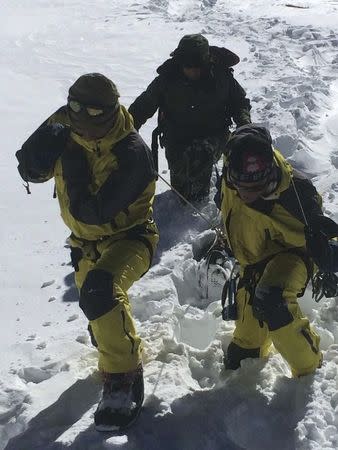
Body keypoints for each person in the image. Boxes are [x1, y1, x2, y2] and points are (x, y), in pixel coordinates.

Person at [16, 73, 159, 431]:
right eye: (75, 110)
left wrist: (74, 161)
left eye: (92, 115)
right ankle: (113, 346)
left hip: (131, 237)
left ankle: (123, 377)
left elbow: (93, 212)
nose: (82, 123)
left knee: (100, 291)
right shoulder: (65, 121)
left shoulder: (132, 153)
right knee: (99, 312)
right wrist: (35, 161)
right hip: (83, 244)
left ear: (110, 114)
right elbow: (31, 168)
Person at [219, 124, 338, 377]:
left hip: (295, 254)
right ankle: (254, 346)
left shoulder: (296, 194)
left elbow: (329, 233)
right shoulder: (229, 175)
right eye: (243, 187)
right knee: (243, 355)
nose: (249, 194)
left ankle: (309, 368)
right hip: (253, 261)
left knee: (272, 298)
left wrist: (328, 255)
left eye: (258, 188)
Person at [128, 33, 252, 202]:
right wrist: (124, 130)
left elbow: (239, 103)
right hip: (177, 139)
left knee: (200, 158)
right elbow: (141, 107)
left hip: (214, 135)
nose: (193, 70)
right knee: (181, 191)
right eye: (188, 66)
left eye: (198, 66)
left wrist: (245, 125)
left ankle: (198, 206)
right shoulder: (167, 79)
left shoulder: (221, 77)